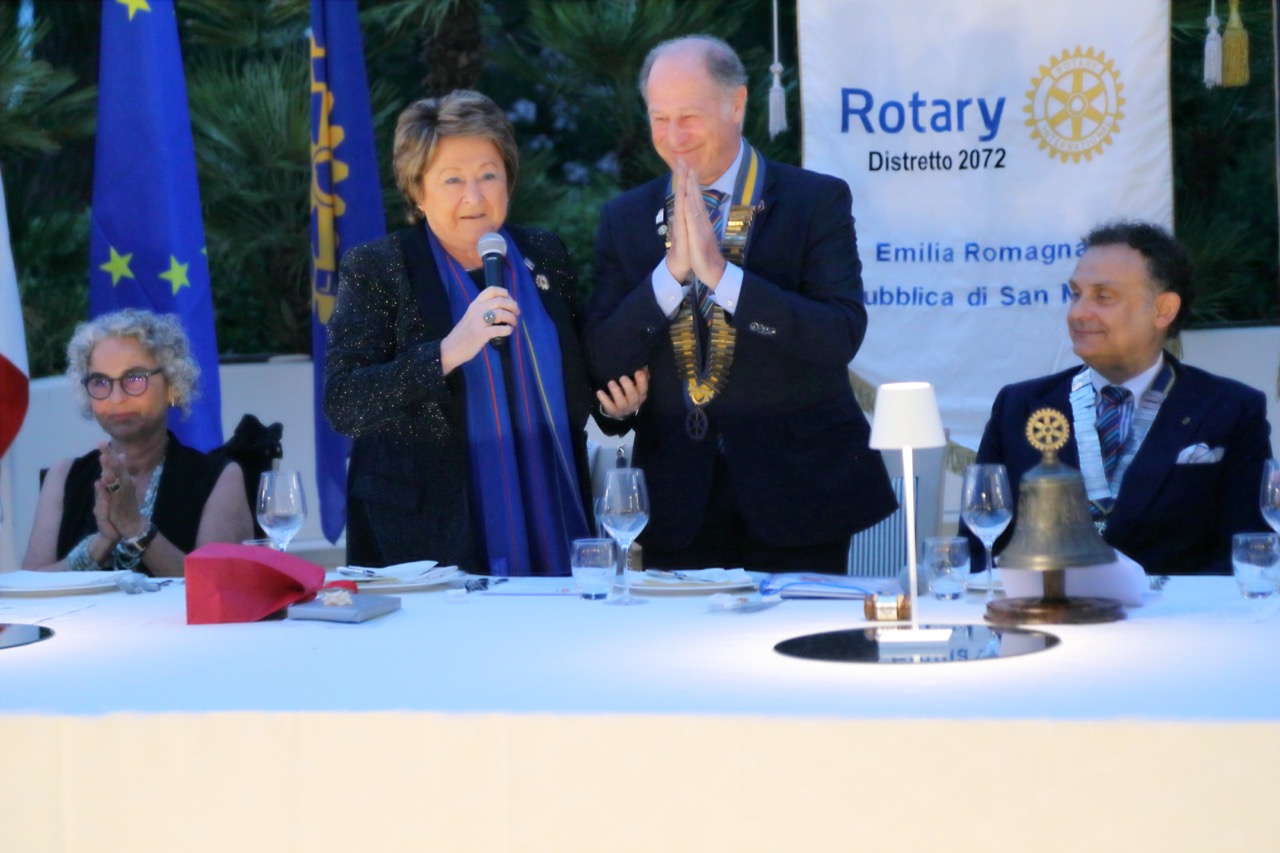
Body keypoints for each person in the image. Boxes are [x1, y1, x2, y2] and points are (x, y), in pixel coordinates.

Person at [584, 35, 896, 574]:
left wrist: (723, 276)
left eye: (690, 116)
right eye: (660, 119)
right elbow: (603, 356)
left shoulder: (813, 201)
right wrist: (671, 273)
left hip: (799, 493)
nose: (674, 137)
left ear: (737, 104)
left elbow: (838, 335)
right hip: (678, 502)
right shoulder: (627, 217)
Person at [324, 89, 645, 576]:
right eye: (452, 180)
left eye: (488, 176)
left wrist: (616, 410)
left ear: (509, 181)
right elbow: (345, 402)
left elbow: (576, 380)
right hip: (427, 538)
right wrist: (449, 350)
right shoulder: (379, 267)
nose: (474, 197)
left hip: (556, 512)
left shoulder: (545, 254)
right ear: (417, 190)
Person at [971, 221, 1272, 575]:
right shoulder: (1020, 407)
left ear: (1163, 310)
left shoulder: (1230, 410)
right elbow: (980, 550)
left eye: (1103, 296)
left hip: (1177, 625)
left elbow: (1250, 552)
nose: (1078, 313)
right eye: (1075, 294)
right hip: (1047, 621)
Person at [22, 309, 254, 576]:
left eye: (134, 378)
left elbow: (219, 591)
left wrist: (136, 528)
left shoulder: (219, 478)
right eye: (100, 382)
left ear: (171, 385)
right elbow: (30, 592)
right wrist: (98, 545)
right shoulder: (63, 476)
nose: (117, 397)